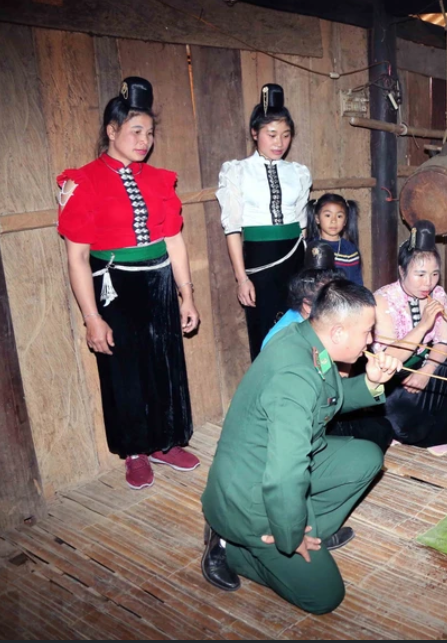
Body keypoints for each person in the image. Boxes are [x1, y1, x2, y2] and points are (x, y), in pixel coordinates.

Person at [200, 279, 401, 614]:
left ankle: (313, 537)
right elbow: (283, 476)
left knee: (366, 457)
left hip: (275, 468)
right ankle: (231, 546)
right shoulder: (293, 377)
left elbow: (329, 397)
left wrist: (371, 382)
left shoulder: (305, 339)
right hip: (252, 495)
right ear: (337, 332)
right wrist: (289, 537)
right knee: (324, 596)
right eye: (367, 331)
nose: (371, 340)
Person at [57, 76, 201, 491]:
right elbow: (77, 257)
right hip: (114, 289)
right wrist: (91, 318)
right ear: (111, 131)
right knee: (124, 372)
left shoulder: (159, 180)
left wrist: (185, 295)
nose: (144, 140)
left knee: (165, 364)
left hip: (158, 285)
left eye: (149, 133)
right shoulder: (83, 182)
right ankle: (135, 451)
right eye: (135, 131)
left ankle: (165, 441)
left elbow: (174, 239)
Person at [216, 83, 311, 359]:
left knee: (300, 329)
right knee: (265, 334)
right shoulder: (237, 171)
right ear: (254, 133)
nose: (279, 142)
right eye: (271, 134)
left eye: (285, 135)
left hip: (295, 258)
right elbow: (232, 229)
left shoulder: (299, 173)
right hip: (260, 261)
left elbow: (303, 227)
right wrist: (242, 277)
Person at [262, 267, 395, 452]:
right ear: (308, 306)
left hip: (323, 402)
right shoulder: (286, 341)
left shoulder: (319, 329)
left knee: (381, 428)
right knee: (373, 439)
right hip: (301, 423)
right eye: (329, 298)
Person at [373, 221, 447, 457]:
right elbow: (388, 357)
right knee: (403, 411)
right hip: (390, 375)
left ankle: (433, 432)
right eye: (420, 274)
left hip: (422, 364)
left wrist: (427, 371)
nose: (428, 282)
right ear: (402, 270)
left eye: (434, 274)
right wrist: (424, 324)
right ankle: (401, 429)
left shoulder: (438, 294)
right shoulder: (383, 299)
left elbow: (445, 341)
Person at [307, 193, 363, 285]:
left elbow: (356, 282)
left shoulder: (350, 251)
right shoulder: (310, 246)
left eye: (339, 216)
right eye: (328, 215)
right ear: (317, 218)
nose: (333, 221)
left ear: (345, 221)